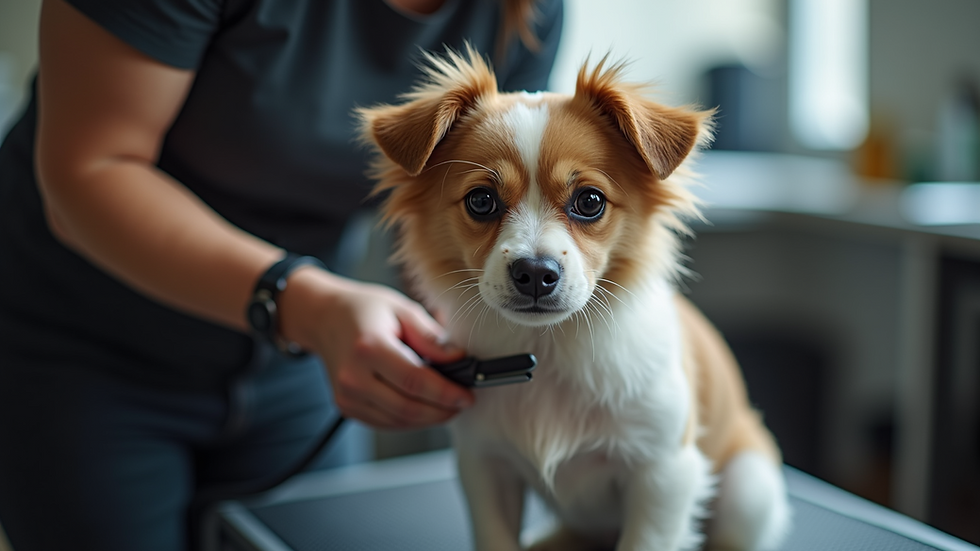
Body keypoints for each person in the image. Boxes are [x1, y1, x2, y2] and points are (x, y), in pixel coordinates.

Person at [0, 0, 563, 549]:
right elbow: (91, 168)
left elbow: (453, 213)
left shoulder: (528, 10)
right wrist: (309, 307)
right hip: (79, 347)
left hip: (301, 357)